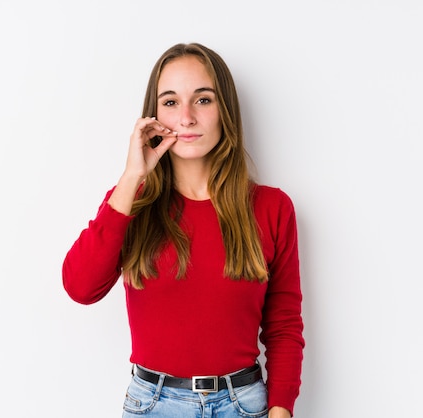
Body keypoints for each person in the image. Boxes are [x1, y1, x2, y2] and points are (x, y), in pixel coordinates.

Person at [62, 42, 304, 418]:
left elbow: (283, 323)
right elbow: (81, 287)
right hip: (153, 404)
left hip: (244, 404)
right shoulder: (130, 202)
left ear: (225, 110)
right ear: (153, 116)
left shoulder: (271, 208)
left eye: (203, 100)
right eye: (171, 102)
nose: (187, 118)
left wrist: (281, 409)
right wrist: (132, 177)